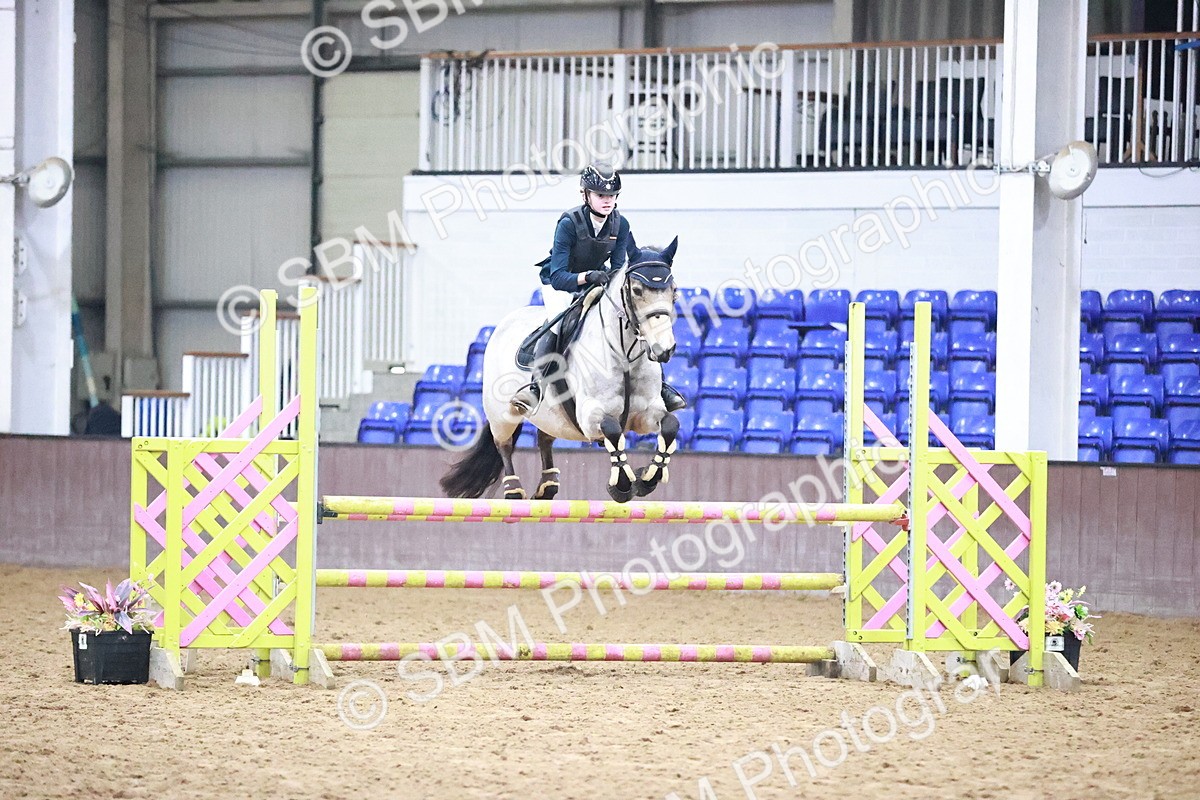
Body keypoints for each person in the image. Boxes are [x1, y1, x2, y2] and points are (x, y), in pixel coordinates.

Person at [511, 162, 686, 416]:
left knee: (632, 323)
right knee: (557, 325)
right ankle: (536, 387)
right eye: (601, 195)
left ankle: (660, 386)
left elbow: (617, 268)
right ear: (586, 195)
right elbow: (559, 276)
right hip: (561, 283)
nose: (607, 201)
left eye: (612, 196)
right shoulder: (569, 223)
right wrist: (587, 277)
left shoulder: (620, 224)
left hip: (597, 281)